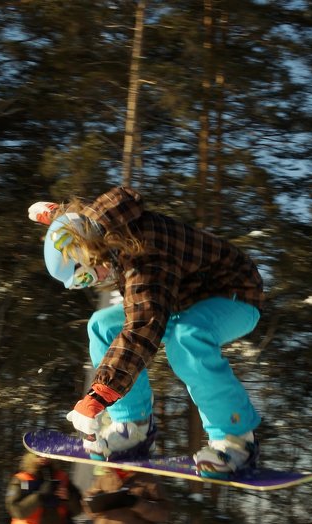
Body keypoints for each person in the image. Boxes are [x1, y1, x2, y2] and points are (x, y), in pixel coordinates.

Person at [29, 186, 264, 474]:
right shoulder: (97, 228)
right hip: (183, 297)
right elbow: (82, 220)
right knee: (102, 325)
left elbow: (143, 330)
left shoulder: (145, 260)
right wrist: (55, 215)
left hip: (234, 294)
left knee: (186, 338)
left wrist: (99, 395)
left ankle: (236, 441)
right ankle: (131, 428)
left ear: (90, 253)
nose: (91, 283)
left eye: (85, 276)